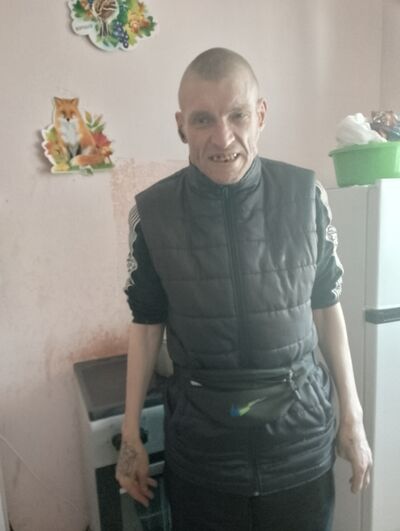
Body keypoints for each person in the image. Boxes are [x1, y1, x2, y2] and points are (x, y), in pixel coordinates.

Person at [116, 47, 372, 531]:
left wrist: (353, 418)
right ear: (181, 125)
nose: (223, 138)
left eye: (237, 115)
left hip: (300, 449)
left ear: (261, 114)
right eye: (202, 120)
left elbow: (326, 308)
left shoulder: (306, 195)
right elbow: (146, 327)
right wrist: (131, 436)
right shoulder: (152, 214)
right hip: (204, 459)